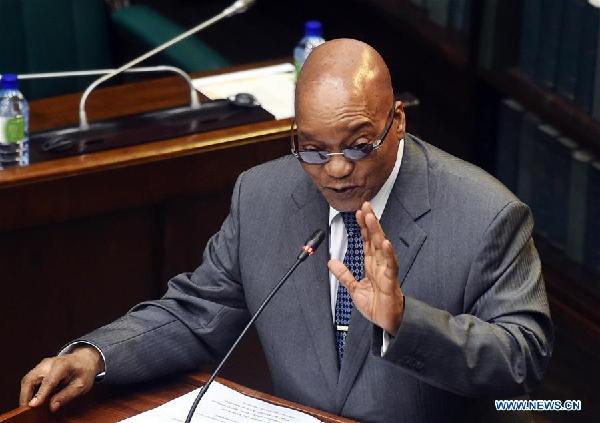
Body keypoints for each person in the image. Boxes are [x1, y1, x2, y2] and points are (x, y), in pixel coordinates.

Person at [20, 39, 553, 422]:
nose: (337, 169)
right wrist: (95, 355)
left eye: (359, 145)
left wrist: (405, 321)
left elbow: (524, 365)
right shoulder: (263, 196)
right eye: (313, 150)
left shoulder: (487, 215)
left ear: (399, 121)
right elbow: (196, 311)